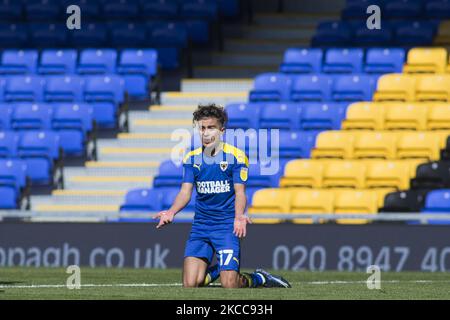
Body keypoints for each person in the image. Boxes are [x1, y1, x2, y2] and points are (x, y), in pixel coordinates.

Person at [154, 104, 291, 289]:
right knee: (191, 284)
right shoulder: (191, 159)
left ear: (221, 131)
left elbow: (240, 193)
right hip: (201, 226)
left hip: (226, 226)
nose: (206, 133)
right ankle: (223, 267)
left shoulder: (236, 157)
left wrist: (239, 216)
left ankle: (259, 278)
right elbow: (185, 192)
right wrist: (171, 212)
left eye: (211, 128)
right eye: (202, 128)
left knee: (230, 285)